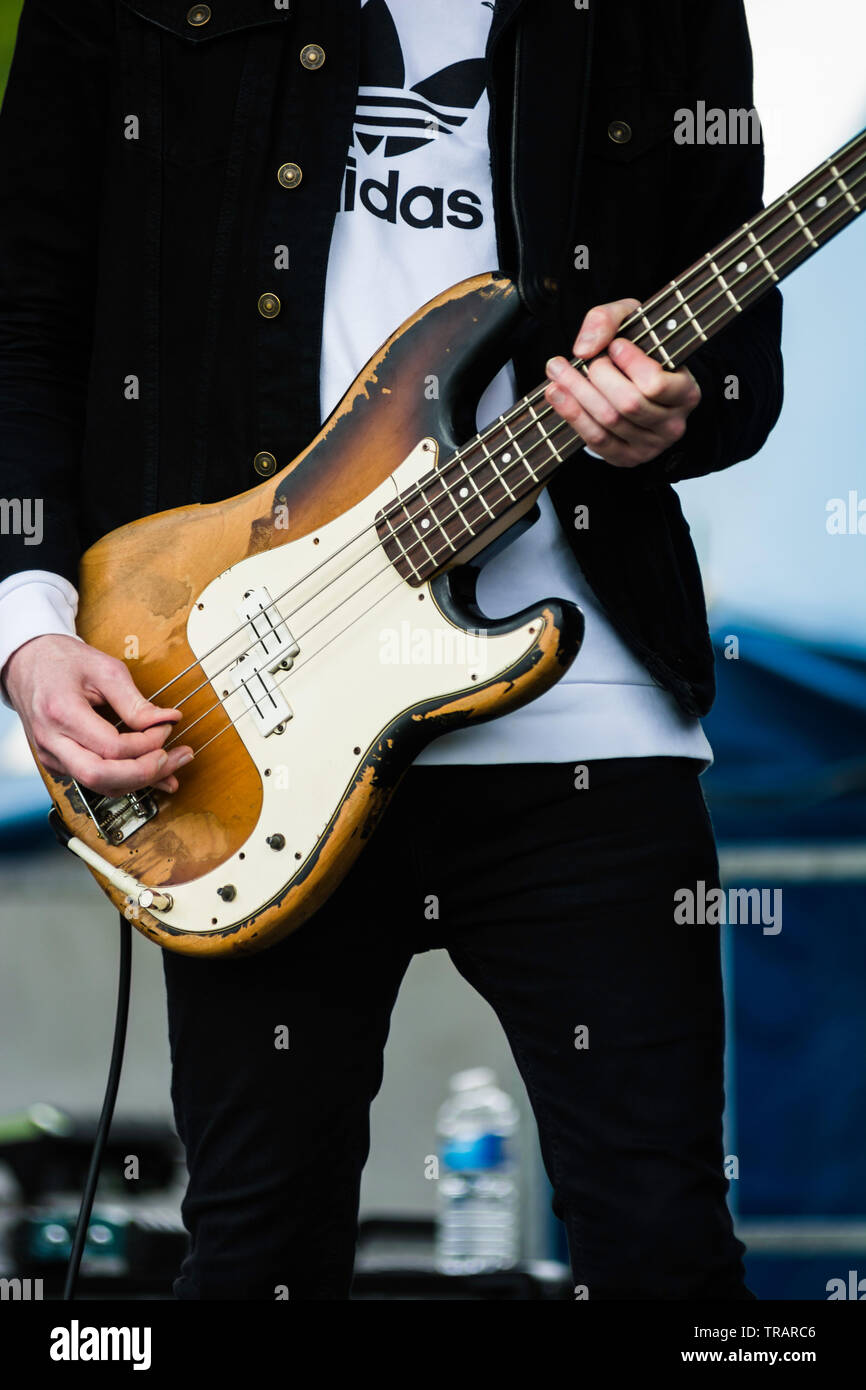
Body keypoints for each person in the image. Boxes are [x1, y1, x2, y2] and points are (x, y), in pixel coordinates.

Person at [0, 0, 783, 1299]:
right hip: (242, 707)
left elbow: (739, 356)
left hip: (585, 714)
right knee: (257, 1250)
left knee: (664, 1245)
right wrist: (29, 628)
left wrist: (670, 413)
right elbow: (23, 311)